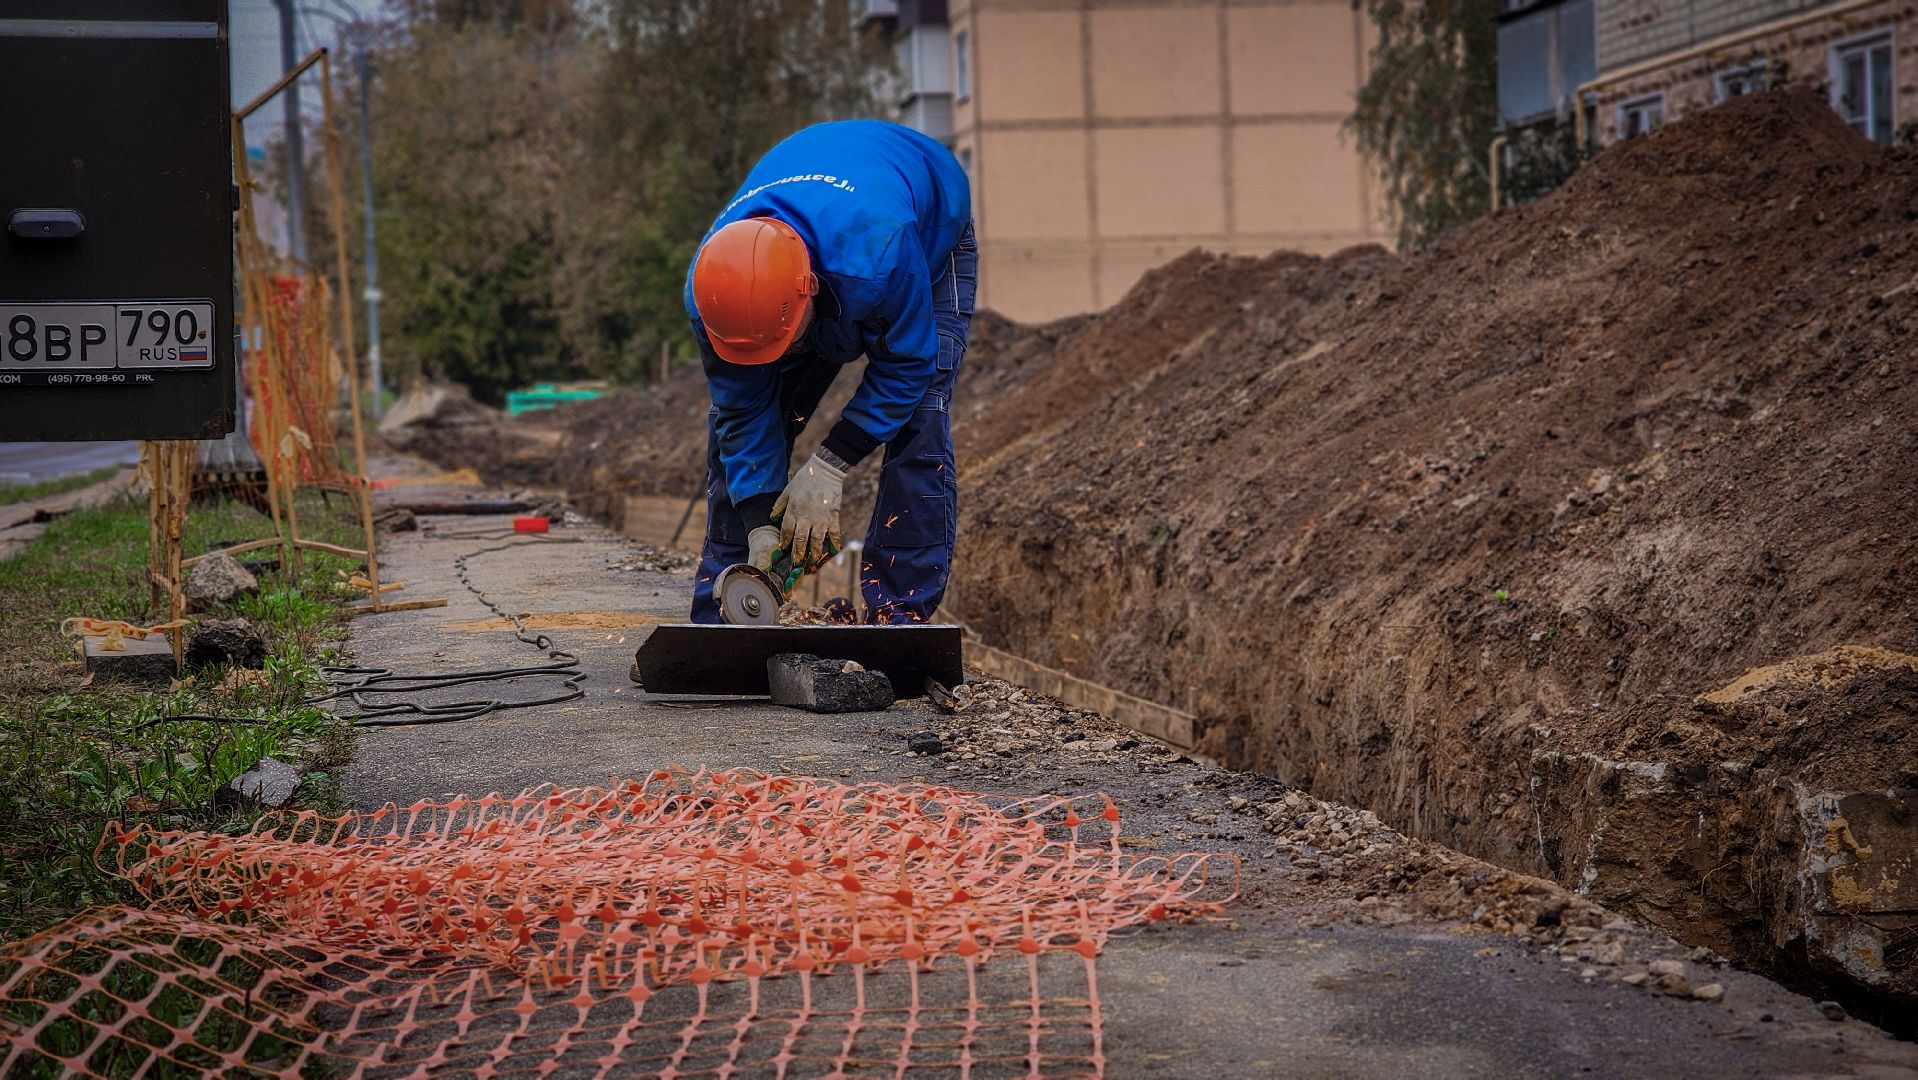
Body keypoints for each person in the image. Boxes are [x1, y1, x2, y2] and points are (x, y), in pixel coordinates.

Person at [684, 120, 974, 625]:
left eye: (786, 340)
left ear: (809, 292)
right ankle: (728, 603)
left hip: (926, 230)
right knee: (732, 424)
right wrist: (760, 520)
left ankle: (898, 615)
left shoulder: (881, 255)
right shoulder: (712, 290)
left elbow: (906, 364)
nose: (778, 357)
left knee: (921, 415)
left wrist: (830, 465)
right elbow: (740, 406)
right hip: (827, 230)